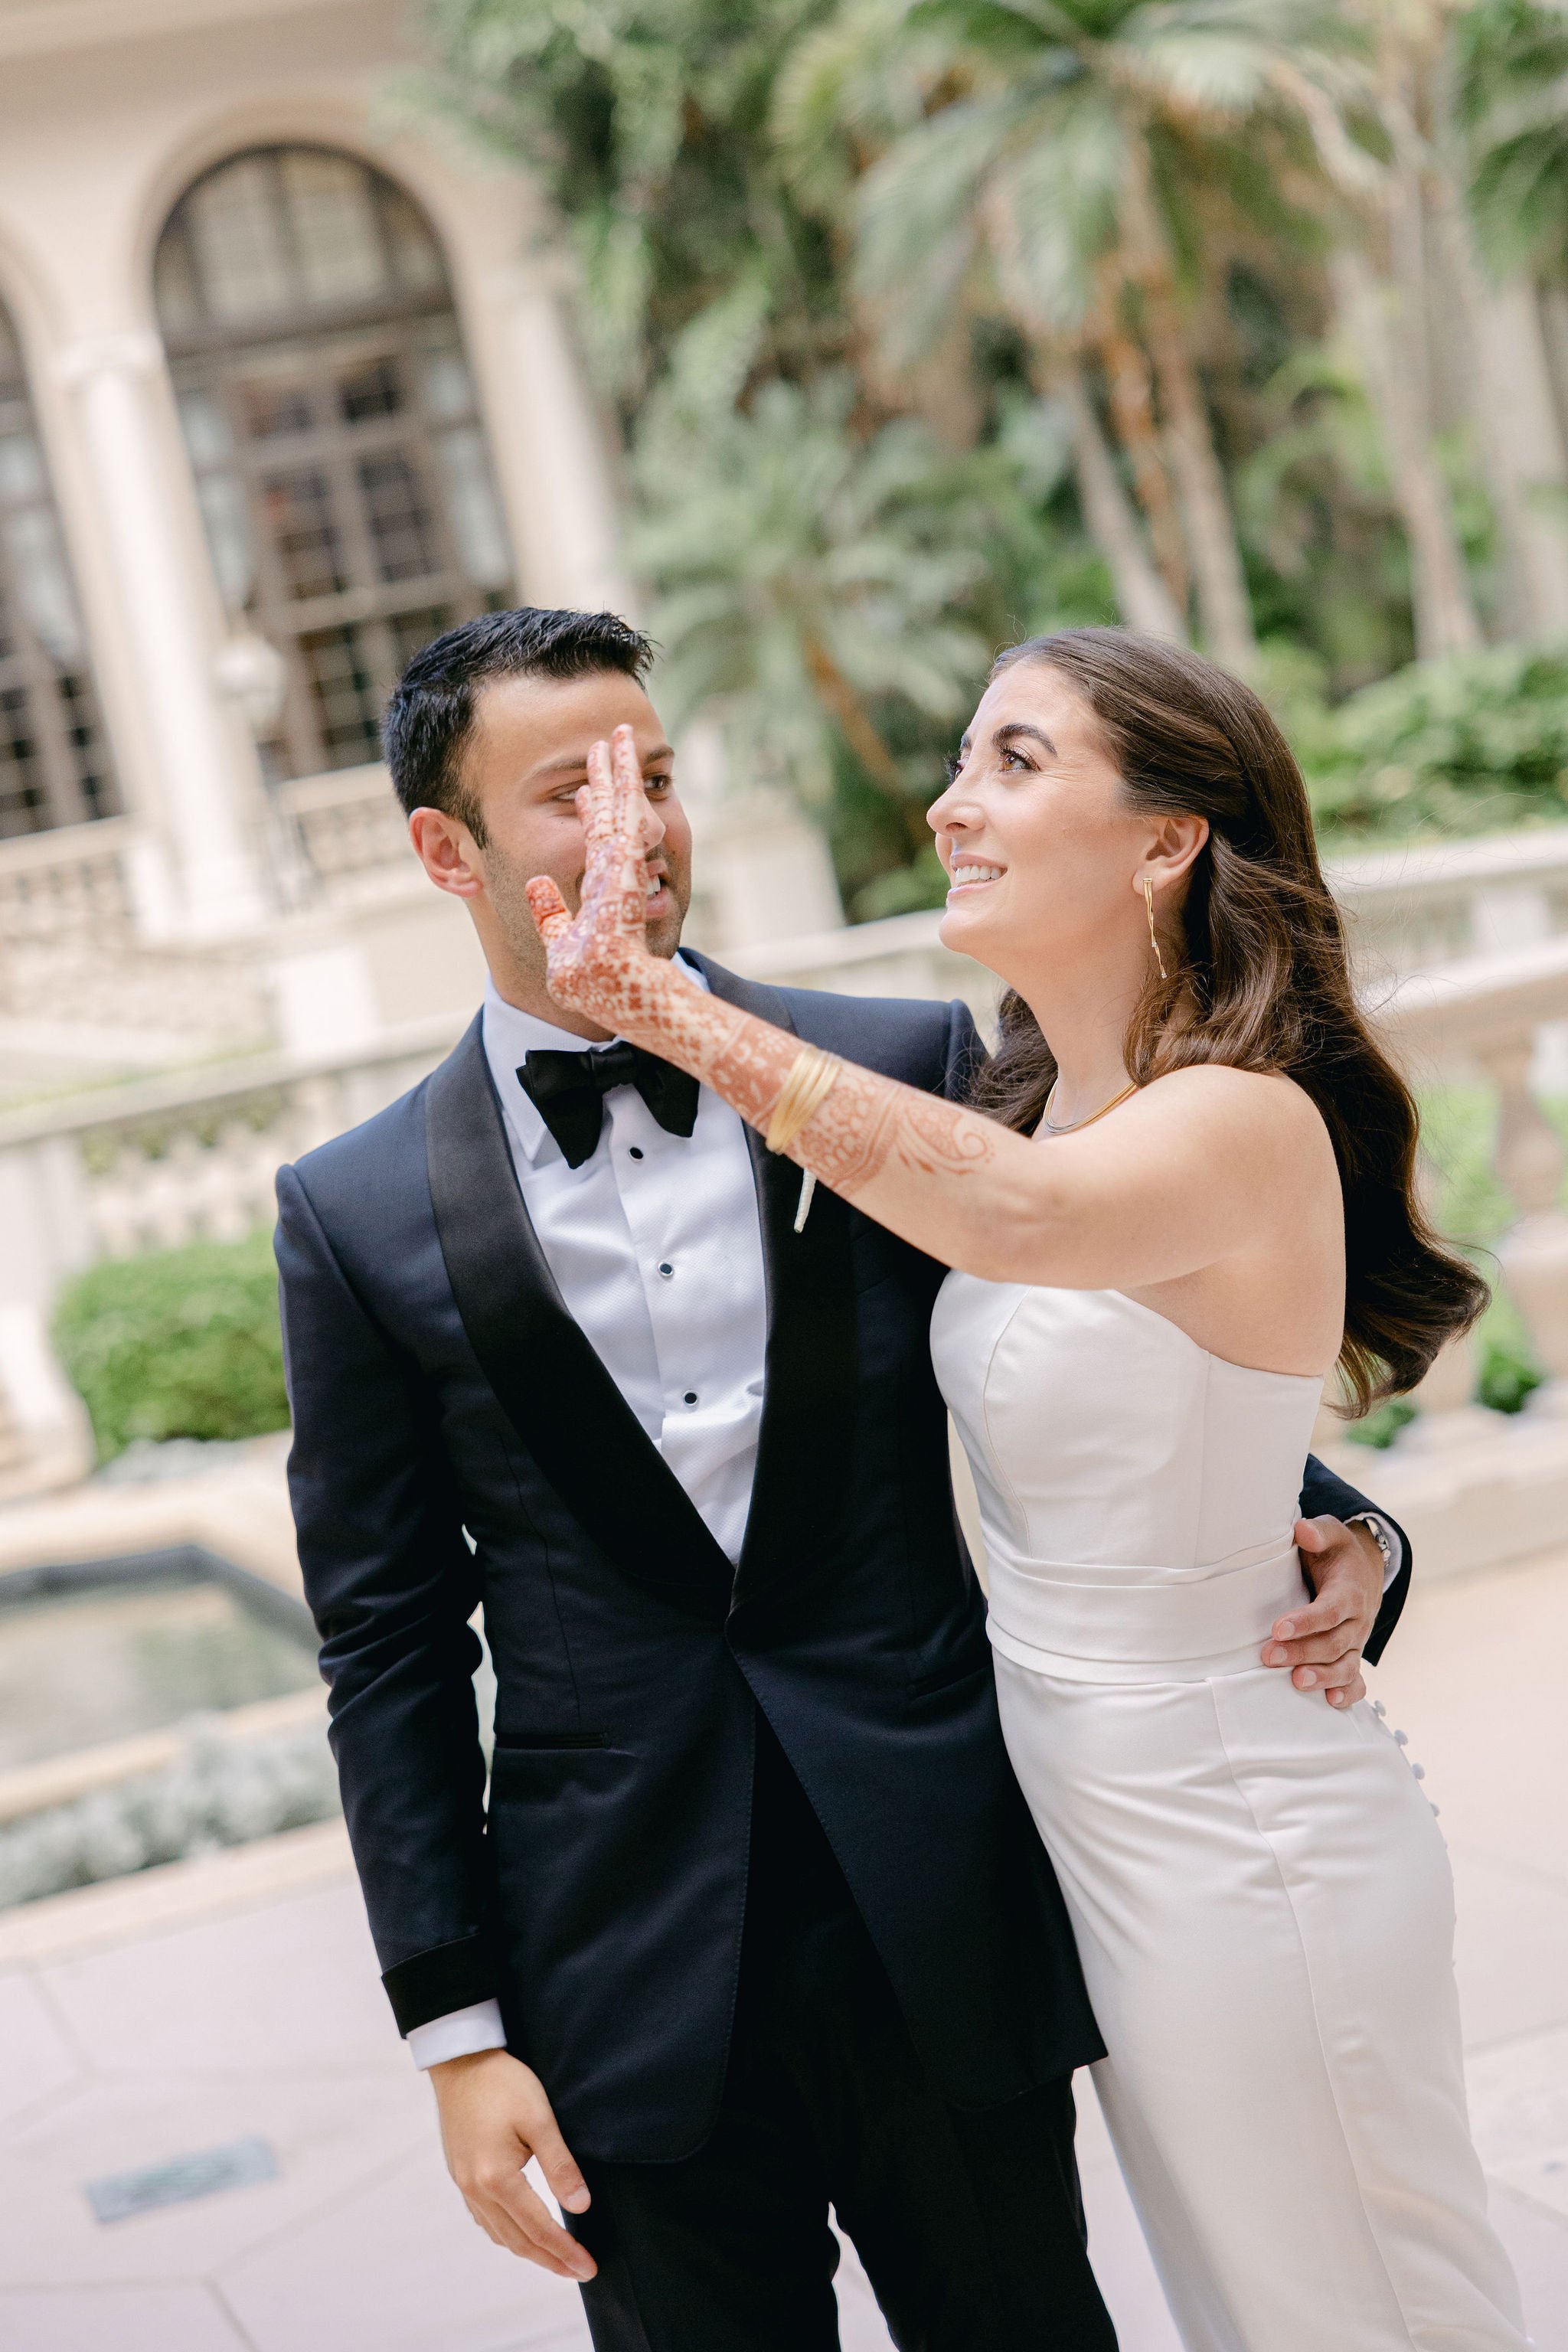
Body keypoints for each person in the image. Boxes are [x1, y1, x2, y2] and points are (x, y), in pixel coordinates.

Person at [276, 608, 1406, 2352]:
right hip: (618, 1974)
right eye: (571, 794)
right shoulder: (350, 1211)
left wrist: (1335, 1517)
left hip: (938, 1899)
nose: (637, 827)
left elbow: (1113, 1325)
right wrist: (455, 2031)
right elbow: (388, 1641)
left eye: (654, 775)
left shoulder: (899, 1066)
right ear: (447, 851)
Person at [524, 626, 1530, 2351]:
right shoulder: (1028, 1102)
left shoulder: (1240, 1119)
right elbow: (1154, 1392)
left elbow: (1019, 1228)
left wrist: (657, 1001)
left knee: (1362, 2305)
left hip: (1237, 1831)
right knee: (1252, 2312)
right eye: (960, 761)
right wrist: (1338, 1517)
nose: (946, 806)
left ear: (1167, 841)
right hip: (1092, 1837)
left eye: (1014, 760)